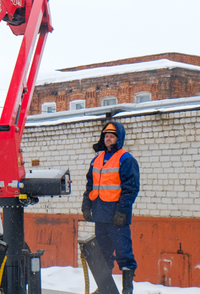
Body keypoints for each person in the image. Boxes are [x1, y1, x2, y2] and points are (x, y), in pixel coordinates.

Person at [82, 121, 140, 294]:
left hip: (116, 217)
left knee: (124, 253)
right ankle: (104, 288)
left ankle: (127, 289)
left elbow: (131, 188)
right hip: (100, 216)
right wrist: (86, 206)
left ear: (118, 138)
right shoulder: (96, 160)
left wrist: (122, 211)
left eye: (112, 136)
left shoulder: (126, 159)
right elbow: (90, 186)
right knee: (103, 255)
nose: (108, 139)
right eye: (106, 136)